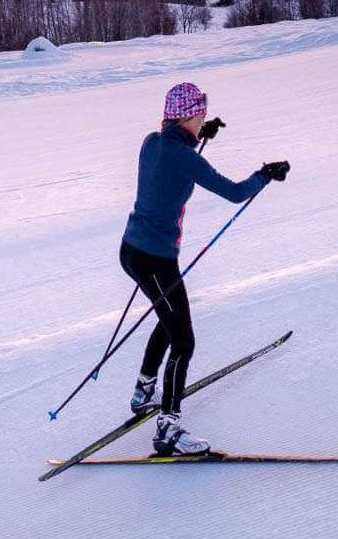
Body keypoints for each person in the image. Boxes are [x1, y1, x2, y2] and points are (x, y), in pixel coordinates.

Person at [120, 81, 290, 456]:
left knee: (170, 320)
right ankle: (168, 429)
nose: (203, 120)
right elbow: (232, 192)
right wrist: (265, 174)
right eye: (200, 115)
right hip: (155, 259)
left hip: (132, 251)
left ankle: (142, 391)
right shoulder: (184, 154)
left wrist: (198, 138)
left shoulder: (152, 141)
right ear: (189, 116)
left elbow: (171, 162)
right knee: (183, 339)